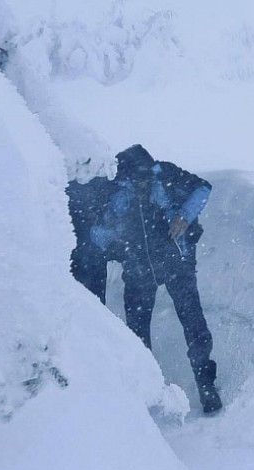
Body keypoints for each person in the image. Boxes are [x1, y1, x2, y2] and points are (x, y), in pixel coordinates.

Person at [91, 144, 222, 413]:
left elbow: (203, 188)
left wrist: (185, 216)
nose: (144, 181)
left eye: (147, 175)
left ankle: (206, 385)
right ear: (126, 176)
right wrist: (109, 235)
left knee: (193, 322)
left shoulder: (165, 174)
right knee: (136, 335)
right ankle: (143, 397)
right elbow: (100, 232)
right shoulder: (116, 189)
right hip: (139, 269)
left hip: (177, 260)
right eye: (137, 177)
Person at [66, 176, 120, 304]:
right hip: (78, 242)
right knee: (79, 293)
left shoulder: (101, 172)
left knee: (94, 295)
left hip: (94, 244)